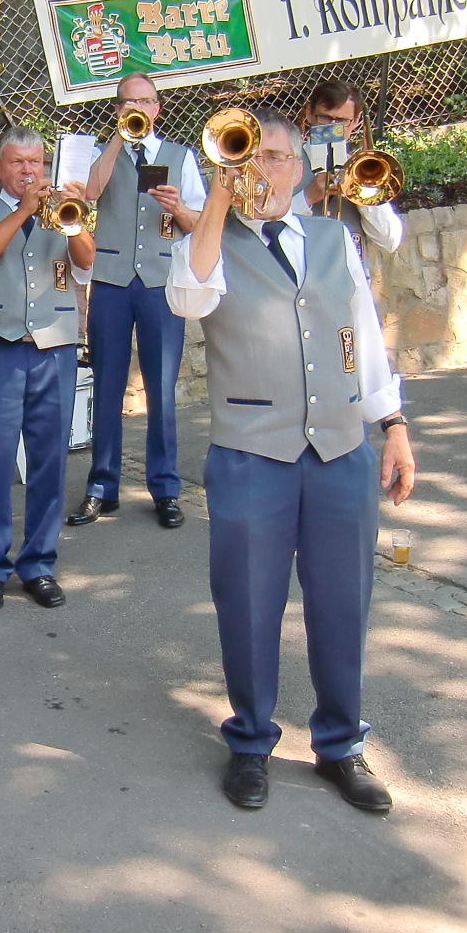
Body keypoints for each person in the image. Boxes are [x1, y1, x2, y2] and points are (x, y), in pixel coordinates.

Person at [167, 111, 417, 816]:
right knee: (248, 601)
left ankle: (340, 744)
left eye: (277, 157)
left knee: (344, 601)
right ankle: (250, 741)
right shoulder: (209, 239)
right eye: (251, 157)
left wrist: (393, 426)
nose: (263, 170)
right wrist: (217, 201)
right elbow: (188, 296)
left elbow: (359, 335)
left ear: (300, 167)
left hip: (339, 447)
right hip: (252, 450)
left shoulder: (334, 237)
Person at [0, 127, 95, 612]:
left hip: (55, 347)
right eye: (17, 162)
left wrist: (75, 218)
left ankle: (38, 564)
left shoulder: (63, 212)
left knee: (50, 459)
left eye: (36, 162)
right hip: (1, 345)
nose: (29, 171)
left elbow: (86, 265)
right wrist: (22, 212)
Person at [71, 71, 208, 531]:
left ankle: (165, 489)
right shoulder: (102, 153)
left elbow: (201, 225)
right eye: (129, 103)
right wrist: (117, 138)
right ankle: (101, 487)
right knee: (107, 385)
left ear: (157, 108)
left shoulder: (180, 157)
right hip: (111, 280)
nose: (138, 109)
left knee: (161, 389)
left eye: (145, 102)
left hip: (159, 283)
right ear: (117, 109)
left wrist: (178, 209)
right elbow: (90, 193)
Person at [295, 79, 404, 257]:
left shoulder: (363, 171)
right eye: (325, 117)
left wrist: (363, 194)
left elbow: (389, 242)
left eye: (342, 121)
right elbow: (266, 228)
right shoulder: (286, 164)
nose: (332, 127)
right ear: (309, 113)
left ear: (356, 121)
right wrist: (307, 197)